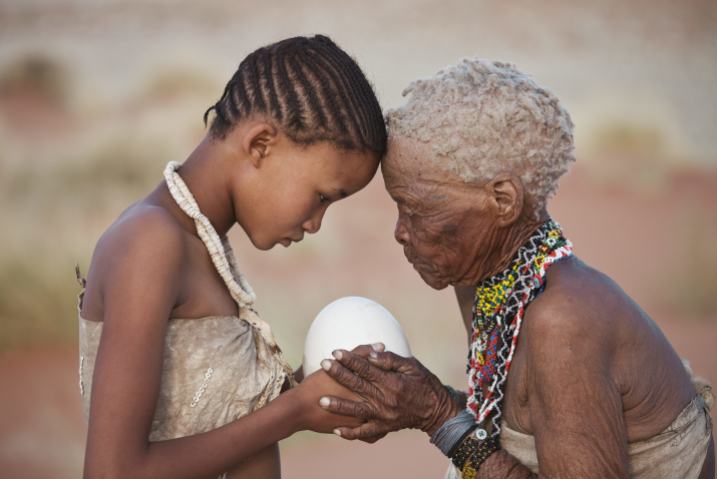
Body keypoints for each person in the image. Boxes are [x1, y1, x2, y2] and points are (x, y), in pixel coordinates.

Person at [318, 58, 715, 478]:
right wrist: (412, 402)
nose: (400, 231)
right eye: (398, 206)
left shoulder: (564, 323)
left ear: (503, 201)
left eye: (417, 210)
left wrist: (438, 414)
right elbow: (518, 414)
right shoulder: (486, 281)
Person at [75, 35, 386, 479]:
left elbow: (209, 415)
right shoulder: (149, 243)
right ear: (260, 145)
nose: (317, 223)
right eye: (321, 196)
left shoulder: (204, 246)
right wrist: (292, 413)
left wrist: (315, 390)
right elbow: (113, 471)